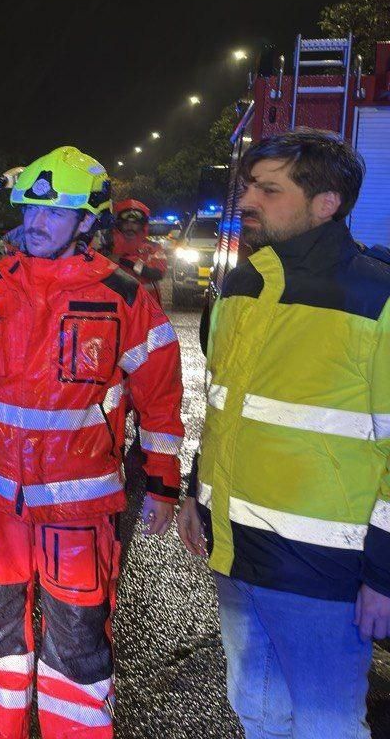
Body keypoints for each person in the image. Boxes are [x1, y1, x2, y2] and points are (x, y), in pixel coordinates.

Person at [0, 146, 184, 739]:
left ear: (88, 221)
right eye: (29, 211)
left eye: (54, 214)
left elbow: (161, 399)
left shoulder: (126, 299)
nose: (34, 224)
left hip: (82, 509)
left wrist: (164, 485)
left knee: (77, 645)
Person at [175, 129, 390, 739]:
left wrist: (384, 576)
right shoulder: (242, 286)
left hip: (327, 577)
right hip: (239, 557)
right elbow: (224, 406)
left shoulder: (377, 298)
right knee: (258, 713)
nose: (248, 201)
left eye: (270, 190)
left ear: (327, 203)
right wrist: (197, 492)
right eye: (248, 186)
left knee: (327, 726)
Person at [99, 198, 166, 305]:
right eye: (126, 223)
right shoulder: (107, 246)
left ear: (142, 225)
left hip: (147, 307)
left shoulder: (153, 248)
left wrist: (123, 260)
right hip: (115, 306)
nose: (130, 227)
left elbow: (157, 273)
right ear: (119, 225)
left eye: (135, 223)